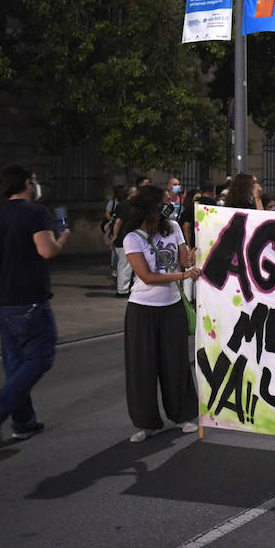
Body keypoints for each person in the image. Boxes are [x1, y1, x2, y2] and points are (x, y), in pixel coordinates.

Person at [0, 164, 72, 448]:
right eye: (34, 180)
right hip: (27, 300)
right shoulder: (35, 213)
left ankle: (23, 423)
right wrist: (63, 237)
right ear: (27, 183)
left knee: (15, 362)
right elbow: (46, 250)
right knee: (40, 357)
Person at [121, 184, 201, 443]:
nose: (169, 204)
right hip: (142, 310)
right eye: (164, 201)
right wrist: (183, 275)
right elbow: (146, 276)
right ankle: (145, 423)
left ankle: (183, 415)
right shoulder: (132, 238)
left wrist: (192, 258)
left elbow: (184, 261)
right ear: (151, 206)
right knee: (142, 367)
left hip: (172, 307)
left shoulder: (174, 228)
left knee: (175, 364)